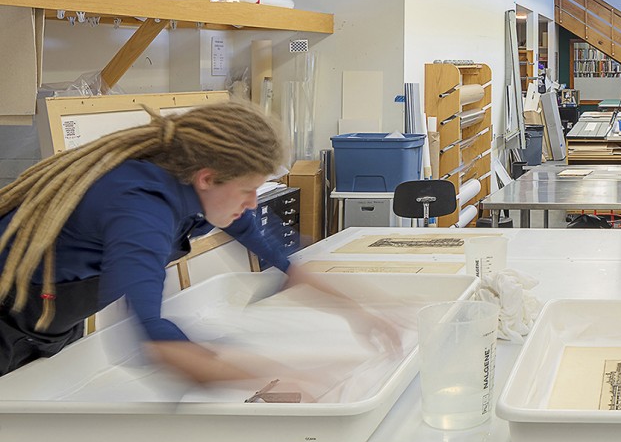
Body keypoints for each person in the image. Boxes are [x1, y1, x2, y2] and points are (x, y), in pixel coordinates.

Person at [0, 100, 395, 381]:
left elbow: (287, 260)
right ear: (207, 177)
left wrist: (362, 312)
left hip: (48, 320)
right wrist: (299, 377)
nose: (253, 202)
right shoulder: (141, 211)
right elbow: (157, 341)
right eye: (248, 190)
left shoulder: (197, 191)